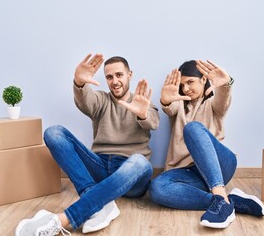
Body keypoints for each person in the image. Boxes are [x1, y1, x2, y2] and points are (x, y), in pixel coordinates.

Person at [15, 53, 160, 235]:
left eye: (119, 75)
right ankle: (100, 205)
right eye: (109, 77)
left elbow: (153, 122)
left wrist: (142, 114)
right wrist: (79, 83)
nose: (114, 81)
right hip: (100, 166)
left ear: (130, 75)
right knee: (53, 132)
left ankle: (63, 219)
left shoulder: (143, 102)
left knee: (139, 161)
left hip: (131, 173)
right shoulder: (101, 100)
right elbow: (85, 101)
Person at [149, 60, 264, 229]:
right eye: (183, 85)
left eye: (190, 82)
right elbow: (170, 108)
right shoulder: (179, 105)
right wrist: (165, 101)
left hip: (220, 165)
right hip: (189, 174)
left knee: (192, 129)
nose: (186, 88)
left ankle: (219, 194)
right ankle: (226, 201)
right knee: (156, 188)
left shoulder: (213, 105)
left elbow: (222, 100)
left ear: (203, 80)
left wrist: (225, 85)